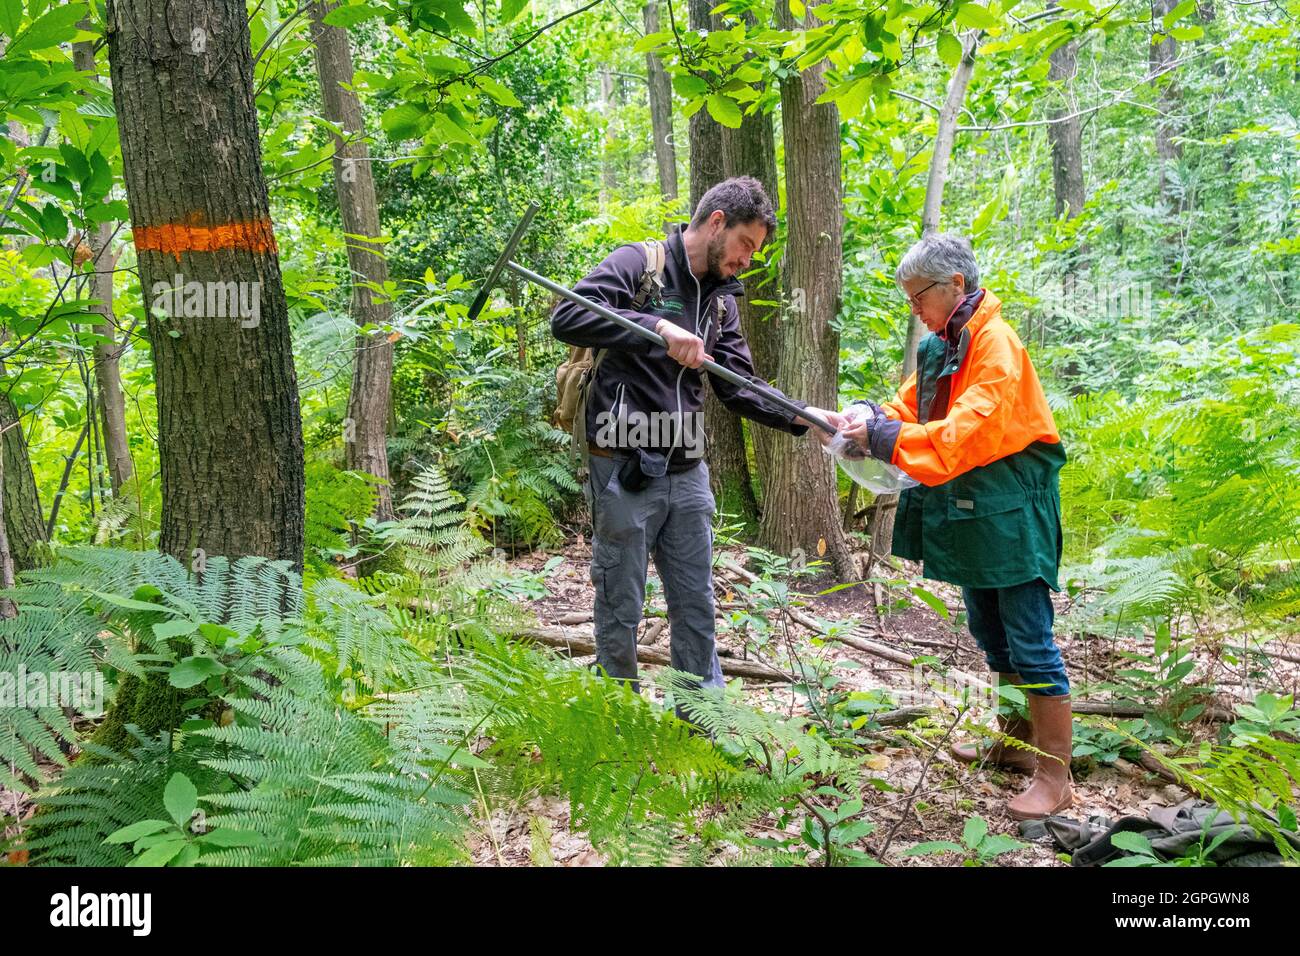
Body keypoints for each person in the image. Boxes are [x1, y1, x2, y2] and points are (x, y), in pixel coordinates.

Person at [550, 176, 840, 717]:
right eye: (746, 245)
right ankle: (616, 716)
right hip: (623, 465)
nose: (747, 261)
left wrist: (806, 419)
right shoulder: (641, 263)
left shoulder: (721, 302)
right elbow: (567, 316)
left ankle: (701, 722)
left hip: (686, 471)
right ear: (715, 222)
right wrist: (656, 326)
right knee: (620, 600)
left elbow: (738, 384)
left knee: (695, 602)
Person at [841, 233, 1072, 820]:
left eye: (919, 297)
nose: (914, 310)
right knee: (989, 630)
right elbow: (912, 407)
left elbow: (967, 429)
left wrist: (886, 438)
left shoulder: (995, 345)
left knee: (1030, 637)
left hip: (1013, 506)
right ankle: (1016, 746)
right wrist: (864, 419)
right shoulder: (944, 344)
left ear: (957, 287)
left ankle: (1055, 777)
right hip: (972, 506)